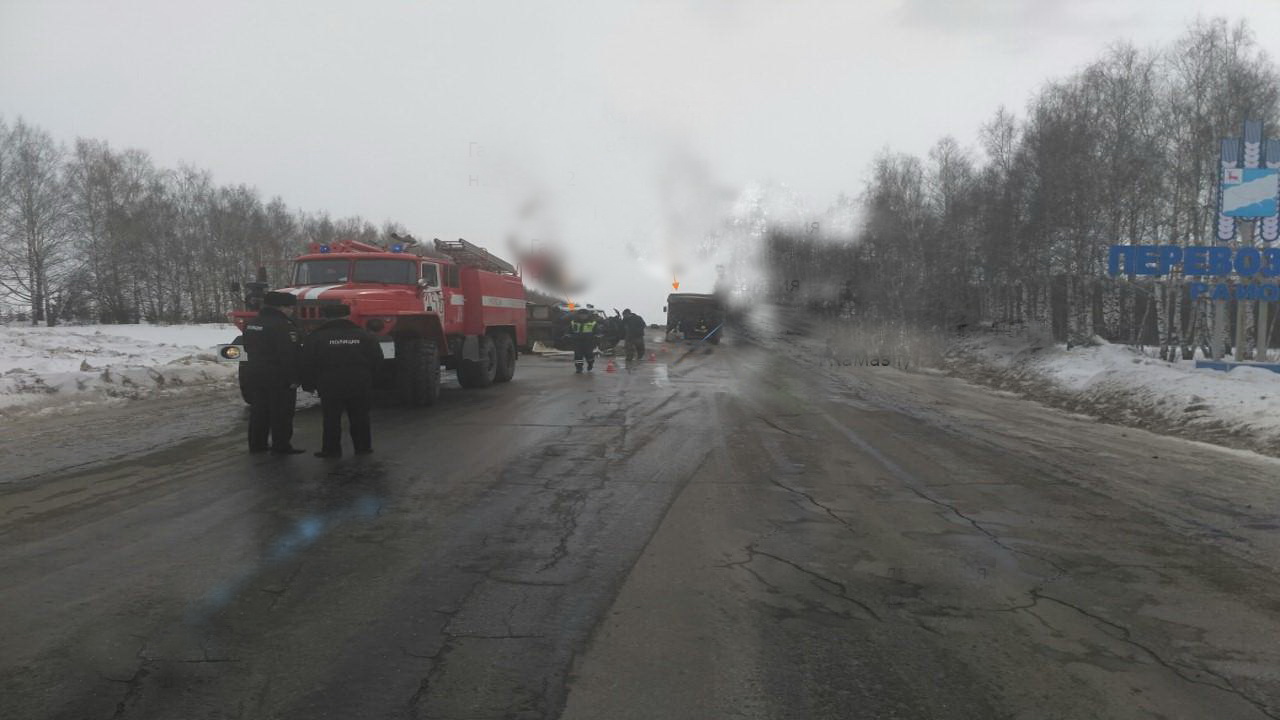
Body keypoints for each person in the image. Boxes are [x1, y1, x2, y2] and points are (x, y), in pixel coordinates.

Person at [301, 303, 384, 458]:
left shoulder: (316, 337)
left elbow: (307, 362)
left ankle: (331, 450)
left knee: (331, 418)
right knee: (360, 416)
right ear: (347, 316)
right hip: (359, 382)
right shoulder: (364, 335)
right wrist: (372, 379)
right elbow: (377, 359)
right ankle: (363, 447)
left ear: (325, 317)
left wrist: (309, 383)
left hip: (329, 384)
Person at [242, 291, 305, 454]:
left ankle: (257, 444)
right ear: (282, 307)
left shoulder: (252, 323)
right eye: (290, 307)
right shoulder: (283, 325)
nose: (291, 311)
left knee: (259, 410)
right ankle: (281, 445)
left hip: (255, 371)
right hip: (278, 375)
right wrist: (294, 377)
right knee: (281, 412)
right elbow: (288, 354)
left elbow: (248, 347)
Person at [567, 307, 600, 373]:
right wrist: (567, 335)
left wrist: (597, 336)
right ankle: (579, 368)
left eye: (584, 315)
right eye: (581, 314)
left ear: (587, 315)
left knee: (589, 355)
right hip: (577, 342)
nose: (582, 316)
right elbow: (569, 331)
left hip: (589, 342)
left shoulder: (593, 323)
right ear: (578, 315)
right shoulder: (573, 322)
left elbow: (597, 332)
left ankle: (590, 364)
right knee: (578, 355)